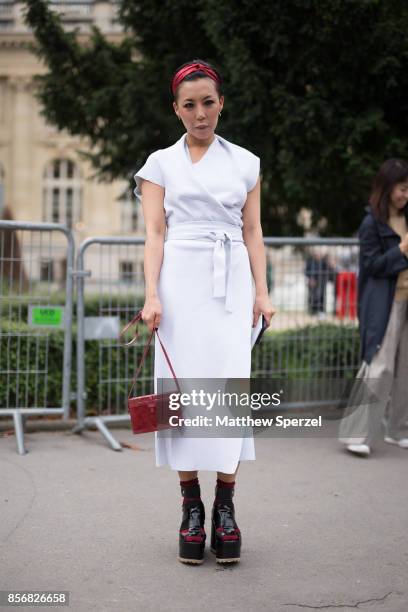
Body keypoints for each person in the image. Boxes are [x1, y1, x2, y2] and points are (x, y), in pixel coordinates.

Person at [133, 60, 275, 564]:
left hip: (232, 285)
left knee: (230, 388)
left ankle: (227, 507)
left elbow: (252, 231)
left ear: (221, 104)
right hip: (180, 287)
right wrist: (152, 293)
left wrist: (261, 291)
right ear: (176, 109)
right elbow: (154, 234)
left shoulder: (246, 163)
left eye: (208, 102)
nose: (200, 113)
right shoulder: (159, 165)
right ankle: (191, 506)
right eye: (189, 105)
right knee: (182, 394)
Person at [338, 158, 408, 456]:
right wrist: (401, 251)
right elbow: (371, 267)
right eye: (402, 189)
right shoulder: (372, 223)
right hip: (385, 303)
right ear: (388, 187)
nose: (406, 195)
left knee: (405, 369)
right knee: (379, 367)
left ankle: (395, 430)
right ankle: (356, 435)